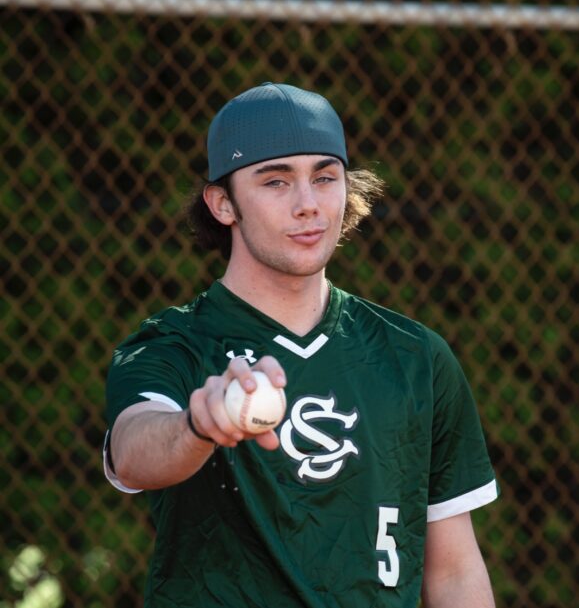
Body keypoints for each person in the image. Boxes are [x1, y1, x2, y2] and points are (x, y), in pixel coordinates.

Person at [104, 82, 499, 607]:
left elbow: (453, 572)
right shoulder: (171, 345)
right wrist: (199, 424)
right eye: (276, 181)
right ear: (223, 203)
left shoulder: (416, 356)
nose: (308, 204)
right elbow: (132, 452)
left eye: (324, 177)